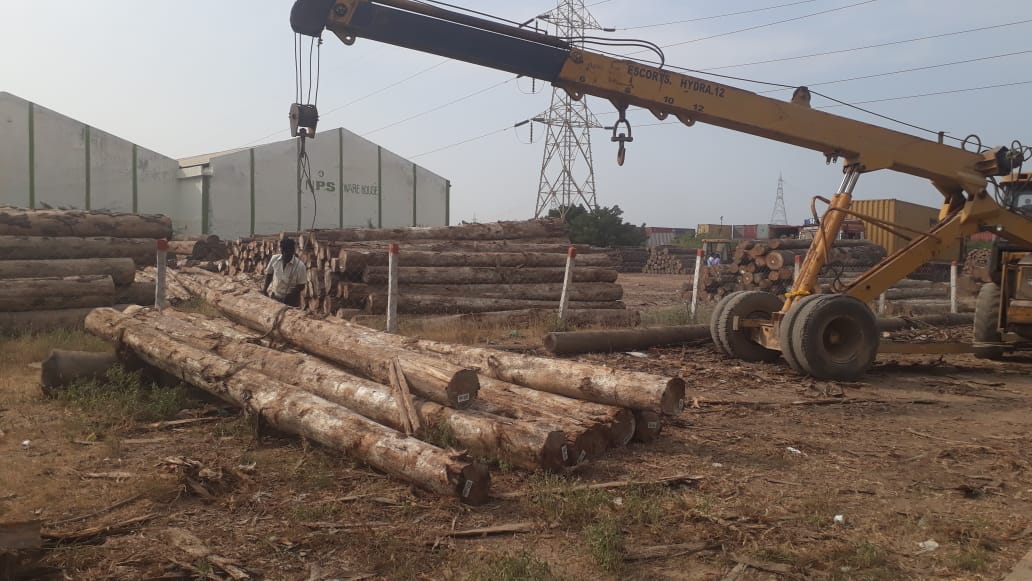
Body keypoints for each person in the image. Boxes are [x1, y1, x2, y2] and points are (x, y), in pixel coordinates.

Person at [263, 238, 307, 307]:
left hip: (290, 300)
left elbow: (301, 285)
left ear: (293, 251)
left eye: (287, 252)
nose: (285, 254)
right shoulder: (274, 259)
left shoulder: (300, 266)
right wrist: (265, 290)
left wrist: (291, 296)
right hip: (274, 296)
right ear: (281, 250)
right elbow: (269, 274)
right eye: (283, 251)